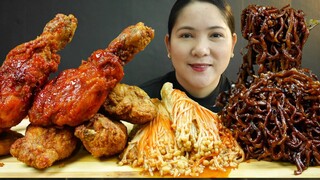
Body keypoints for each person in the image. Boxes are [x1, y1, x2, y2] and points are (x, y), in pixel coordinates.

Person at [140, 0, 237, 112]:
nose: (201, 50)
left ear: (232, 45)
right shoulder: (139, 104)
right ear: (168, 45)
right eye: (186, 35)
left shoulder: (251, 107)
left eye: (216, 35)